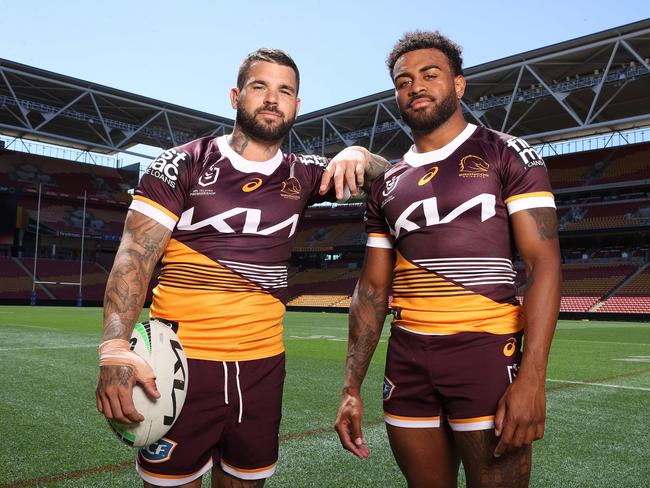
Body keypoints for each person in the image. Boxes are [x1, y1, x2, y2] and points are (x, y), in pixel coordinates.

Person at [96, 48, 389, 488]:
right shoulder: (183, 163)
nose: (272, 99)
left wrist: (361, 154)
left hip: (262, 368)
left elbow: (394, 177)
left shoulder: (305, 174)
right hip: (179, 366)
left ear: (296, 105)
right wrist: (115, 347)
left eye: (284, 90)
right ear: (236, 96)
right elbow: (134, 255)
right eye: (260, 87)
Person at [335, 31, 561, 488]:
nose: (415, 86)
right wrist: (350, 387)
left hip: (485, 354)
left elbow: (543, 265)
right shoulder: (387, 183)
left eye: (429, 74)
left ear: (459, 85)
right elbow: (373, 290)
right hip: (408, 362)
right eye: (403, 81)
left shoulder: (506, 153)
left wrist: (533, 379)